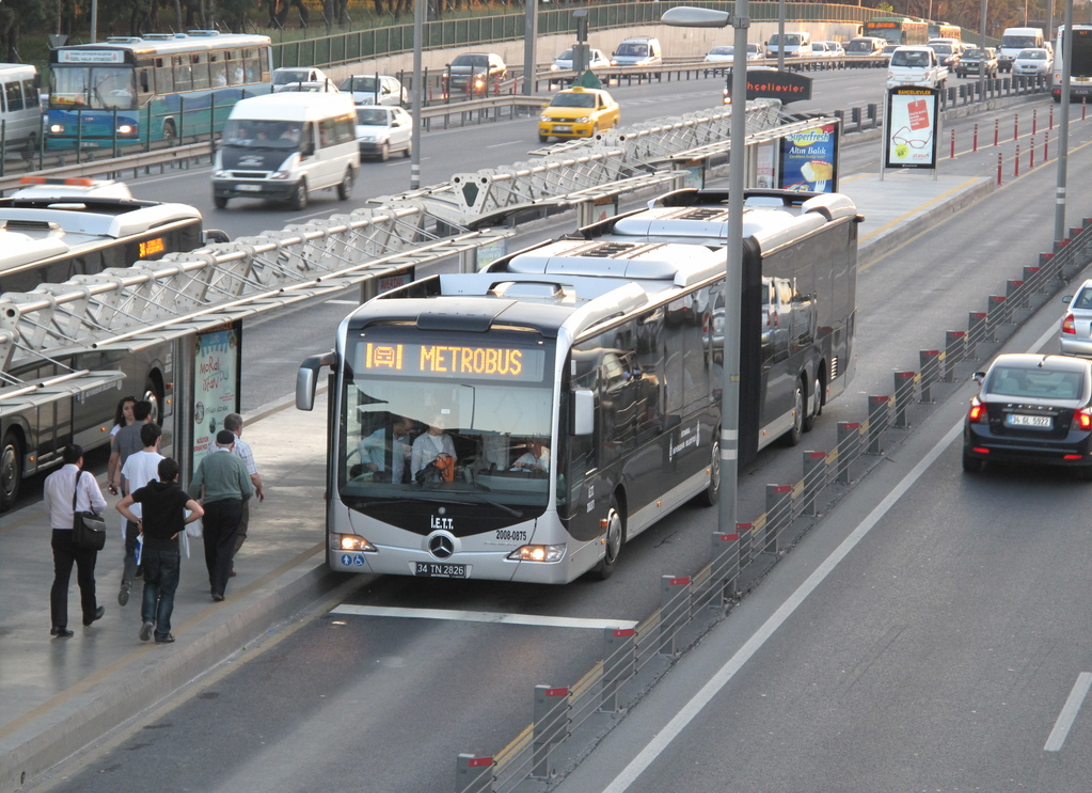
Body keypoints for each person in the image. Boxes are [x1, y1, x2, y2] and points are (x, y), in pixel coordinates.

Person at [117, 458, 203, 644]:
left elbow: (120, 505)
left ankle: (148, 619)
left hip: (150, 548)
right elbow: (199, 511)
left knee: (150, 584)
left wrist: (137, 522)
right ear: (176, 476)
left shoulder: (147, 491)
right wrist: (180, 525)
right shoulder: (178, 494)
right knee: (167, 592)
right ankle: (162, 632)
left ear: (158, 473)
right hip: (169, 550)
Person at [43, 445, 107, 637]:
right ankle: (89, 613)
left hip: (60, 534)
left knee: (61, 579)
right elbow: (100, 505)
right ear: (80, 460)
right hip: (83, 533)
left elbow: (48, 508)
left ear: (63, 458)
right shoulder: (86, 477)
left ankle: (58, 624)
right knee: (86, 575)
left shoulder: (50, 479)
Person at [190, 430, 254, 602]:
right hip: (232, 506)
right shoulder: (237, 461)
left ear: (216, 444)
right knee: (225, 546)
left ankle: (213, 579)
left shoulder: (206, 460)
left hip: (211, 506)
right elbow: (248, 489)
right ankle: (219, 588)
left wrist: (194, 500)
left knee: (210, 543)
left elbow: (195, 484)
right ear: (233, 445)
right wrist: (240, 501)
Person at [111, 400, 154, 606]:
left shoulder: (121, 434)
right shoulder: (151, 436)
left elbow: (113, 460)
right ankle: (146, 570)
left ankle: (128, 577)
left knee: (132, 542)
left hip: (132, 495)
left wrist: (112, 480)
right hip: (150, 498)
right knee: (150, 537)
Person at [222, 413, 264, 576]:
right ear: (239, 428)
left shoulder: (212, 446)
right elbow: (252, 475)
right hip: (237, 496)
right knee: (240, 530)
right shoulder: (242, 447)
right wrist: (260, 488)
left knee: (222, 530)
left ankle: (226, 562)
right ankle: (225, 558)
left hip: (216, 496)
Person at [354, 416, 412, 482]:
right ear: (397, 425)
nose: (408, 433)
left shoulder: (406, 437)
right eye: (406, 430)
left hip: (398, 477)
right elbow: (361, 445)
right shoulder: (381, 434)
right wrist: (369, 463)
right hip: (381, 477)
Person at [106, 395, 136, 496]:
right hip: (125, 471)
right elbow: (114, 457)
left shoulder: (143, 426)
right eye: (126, 408)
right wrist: (114, 476)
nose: (129, 411)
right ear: (122, 412)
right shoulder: (117, 431)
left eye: (132, 407)